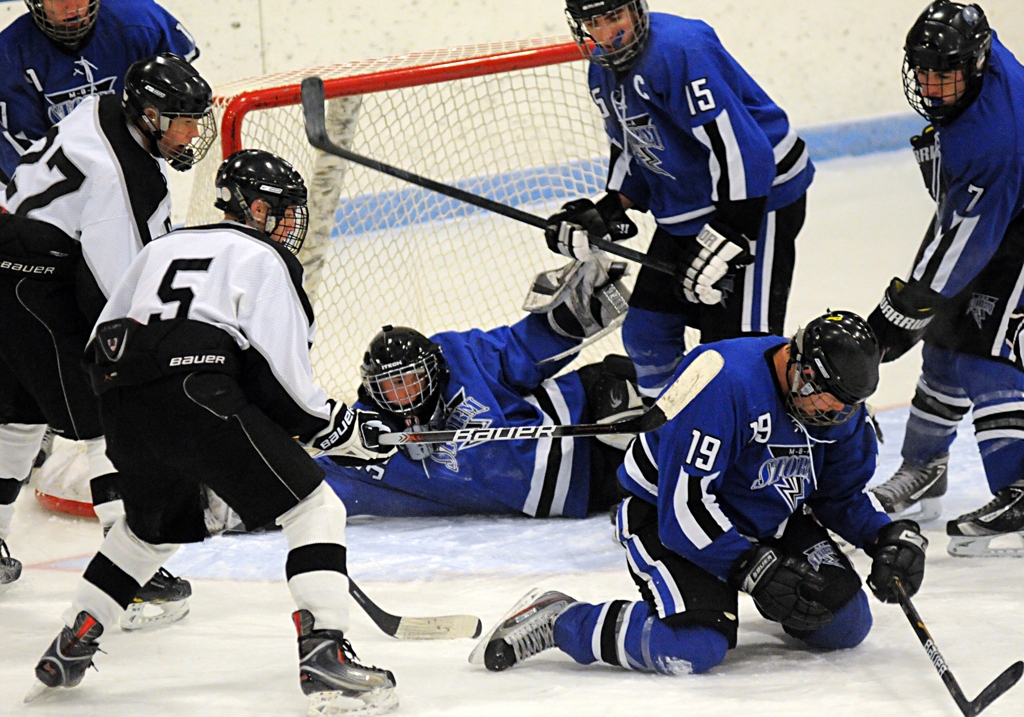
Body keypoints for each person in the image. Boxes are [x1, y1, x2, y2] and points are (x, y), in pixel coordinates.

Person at [26, 149, 399, 714]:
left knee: (147, 532)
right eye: (283, 211)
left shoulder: (161, 248)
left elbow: (101, 339)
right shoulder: (266, 258)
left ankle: (72, 641)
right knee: (315, 508)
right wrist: (336, 426)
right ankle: (325, 651)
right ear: (258, 209)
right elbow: (286, 380)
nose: (289, 225)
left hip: (121, 401)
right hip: (198, 391)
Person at [471, 311, 929, 676]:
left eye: (843, 407)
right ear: (799, 364)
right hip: (667, 517)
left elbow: (840, 496)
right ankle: (563, 619)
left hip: (767, 517)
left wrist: (885, 536)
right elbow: (683, 507)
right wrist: (753, 569)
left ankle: (727, 597)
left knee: (845, 623)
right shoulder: (724, 381)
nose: (831, 415)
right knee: (693, 647)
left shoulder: (839, 407)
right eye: (823, 399)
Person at [0, 53, 215, 620]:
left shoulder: (101, 107)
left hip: (13, 263)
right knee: (108, 417)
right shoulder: (126, 182)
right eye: (182, 122)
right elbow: (122, 293)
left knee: (16, 415)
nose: (193, 134)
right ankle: (130, 578)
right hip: (36, 288)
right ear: (149, 116)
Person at [544, 0, 814, 399]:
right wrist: (609, 207)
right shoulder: (601, 70)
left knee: (736, 348)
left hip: (761, 197)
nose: (606, 34)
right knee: (647, 333)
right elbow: (634, 145)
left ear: (636, 9)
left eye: (614, 17)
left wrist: (731, 232)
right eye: (593, 22)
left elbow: (744, 150)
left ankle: (758, 426)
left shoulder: (680, 49)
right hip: (699, 201)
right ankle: (668, 425)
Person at [865, 1, 1024, 557]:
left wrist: (903, 308)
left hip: (1015, 224)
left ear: (976, 65)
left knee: (987, 351)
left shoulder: (996, 138)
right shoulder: (980, 60)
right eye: (923, 72)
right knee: (943, 341)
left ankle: (1019, 492)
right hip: (1004, 212)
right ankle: (925, 470)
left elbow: (965, 241)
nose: (931, 87)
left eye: (944, 74)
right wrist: (919, 310)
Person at [322, 313, 642, 518]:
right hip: (586, 485)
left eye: (411, 380)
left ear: (434, 370)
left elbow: (517, 349)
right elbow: (317, 481)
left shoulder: (460, 356)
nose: (403, 395)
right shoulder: (361, 440)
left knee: (639, 396)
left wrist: (570, 316)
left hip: (581, 408)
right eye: (391, 386)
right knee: (647, 478)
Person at [0, 0, 198, 184]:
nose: (72, 8)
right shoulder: (10, 55)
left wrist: (171, 131)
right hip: (45, 182)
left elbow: (177, 81)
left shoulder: (140, 21)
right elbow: (28, 157)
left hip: (130, 167)